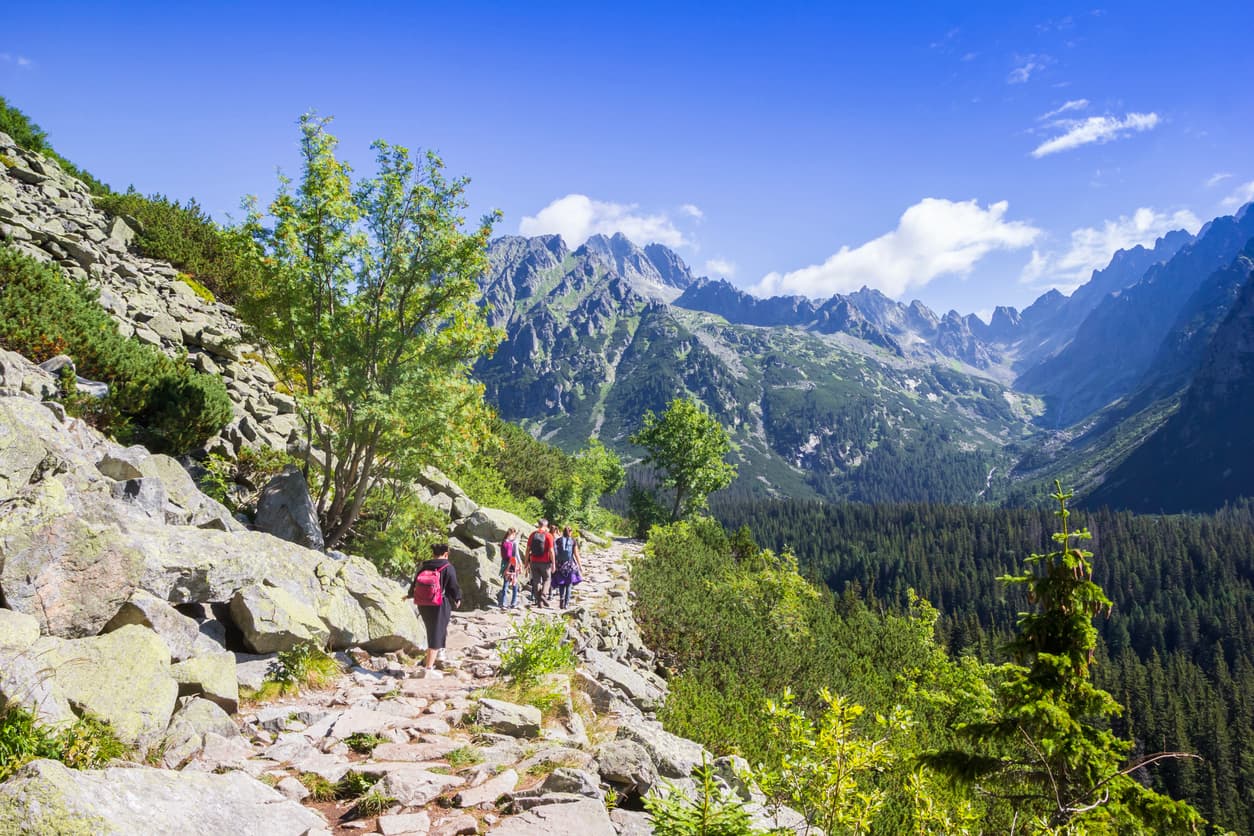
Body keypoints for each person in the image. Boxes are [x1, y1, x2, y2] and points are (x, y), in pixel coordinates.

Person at [412, 543, 461, 676]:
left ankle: (440, 653)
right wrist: (457, 598)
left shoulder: (425, 566)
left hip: (423, 602)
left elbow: (415, 582)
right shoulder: (448, 567)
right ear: (445, 554)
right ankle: (428, 667)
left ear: (433, 554)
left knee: (433, 628)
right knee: (437, 631)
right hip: (439, 602)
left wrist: (410, 594)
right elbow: (453, 585)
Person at [551, 525, 584, 609]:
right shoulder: (573, 541)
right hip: (570, 565)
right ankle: (566, 603)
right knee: (569, 584)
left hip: (560, 565)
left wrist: (553, 564)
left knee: (561, 583)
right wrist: (580, 566)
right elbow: (576, 554)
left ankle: (561, 599)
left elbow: (554, 553)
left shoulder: (558, 540)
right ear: (571, 532)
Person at [524, 518, 555, 607]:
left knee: (536, 581)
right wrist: (553, 563)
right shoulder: (548, 535)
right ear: (546, 526)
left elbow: (527, 550)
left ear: (538, 525)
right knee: (547, 579)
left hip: (534, 561)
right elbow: (551, 551)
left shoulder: (532, 535)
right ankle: (543, 596)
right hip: (545, 563)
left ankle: (539, 603)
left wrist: (526, 562)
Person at [498, 527, 520, 609]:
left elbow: (503, 555)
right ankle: (513, 602)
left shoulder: (503, 542)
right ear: (512, 534)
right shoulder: (509, 544)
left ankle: (503, 602)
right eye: (514, 535)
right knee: (514, 583)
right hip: (511, 563)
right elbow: (511, 556)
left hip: (504, 563)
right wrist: (518, 564)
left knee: (506, 583)